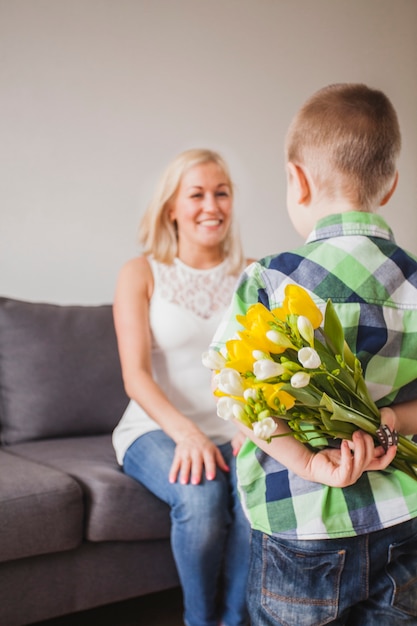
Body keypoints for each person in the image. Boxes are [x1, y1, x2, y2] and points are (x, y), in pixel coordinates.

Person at [209, 84, 417, 625]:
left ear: (297, 180)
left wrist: (306, 461)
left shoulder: (271, 279)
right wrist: (388, 420)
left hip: (300, 524)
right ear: (390, 184)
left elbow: (236, 398)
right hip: (405, 517)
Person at [112, 148, 252, 626]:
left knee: (259, 498)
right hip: (154, 428)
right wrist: (186, 434)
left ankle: (234, 620)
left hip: (234, 431)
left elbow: (263, 368)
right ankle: (198, 621)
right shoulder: (141, 272)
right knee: (201, 496)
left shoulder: (254, 275)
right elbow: (135, 375)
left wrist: (252, 427)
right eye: (196, 194)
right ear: (172, 207)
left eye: (221, 193)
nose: (210, 206)